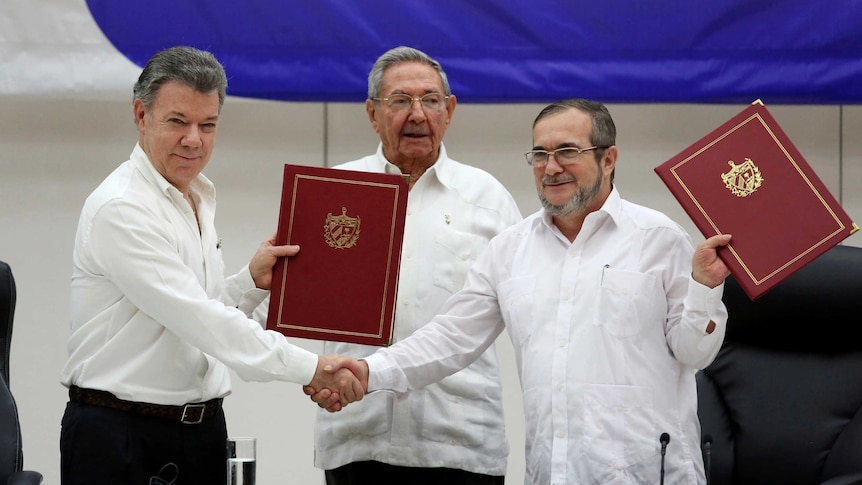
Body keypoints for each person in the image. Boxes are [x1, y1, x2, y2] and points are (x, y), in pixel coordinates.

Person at [312, 98, 733, 484]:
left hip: (649, 474)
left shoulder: (658, 238)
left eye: (568, 151)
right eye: (540, 154)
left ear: (609, 159)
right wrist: (369, 373)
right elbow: (449, 338)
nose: (551, 167)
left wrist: (705, 290)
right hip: (551, 472)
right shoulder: (510, 250)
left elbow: (695, 353)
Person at [59, 45, 362, 485]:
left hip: (199, 434)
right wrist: (313, 368)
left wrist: (250, 284)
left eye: (208, 125)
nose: (194, 139)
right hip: (120, 438)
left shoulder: (195, 196)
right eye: (178, 121)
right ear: (141, 116)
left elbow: (195, 321)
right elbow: (201, 321)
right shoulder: (123, 207)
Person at [305, 46, 522, 484]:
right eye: (400, 100)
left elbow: (525, 311)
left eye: (430, 100)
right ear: (372, 113)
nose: (417, 114)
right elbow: (297, 299)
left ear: (450, 110)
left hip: (461, 445)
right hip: (356, 435)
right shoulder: (335, 191)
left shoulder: (488, 199)